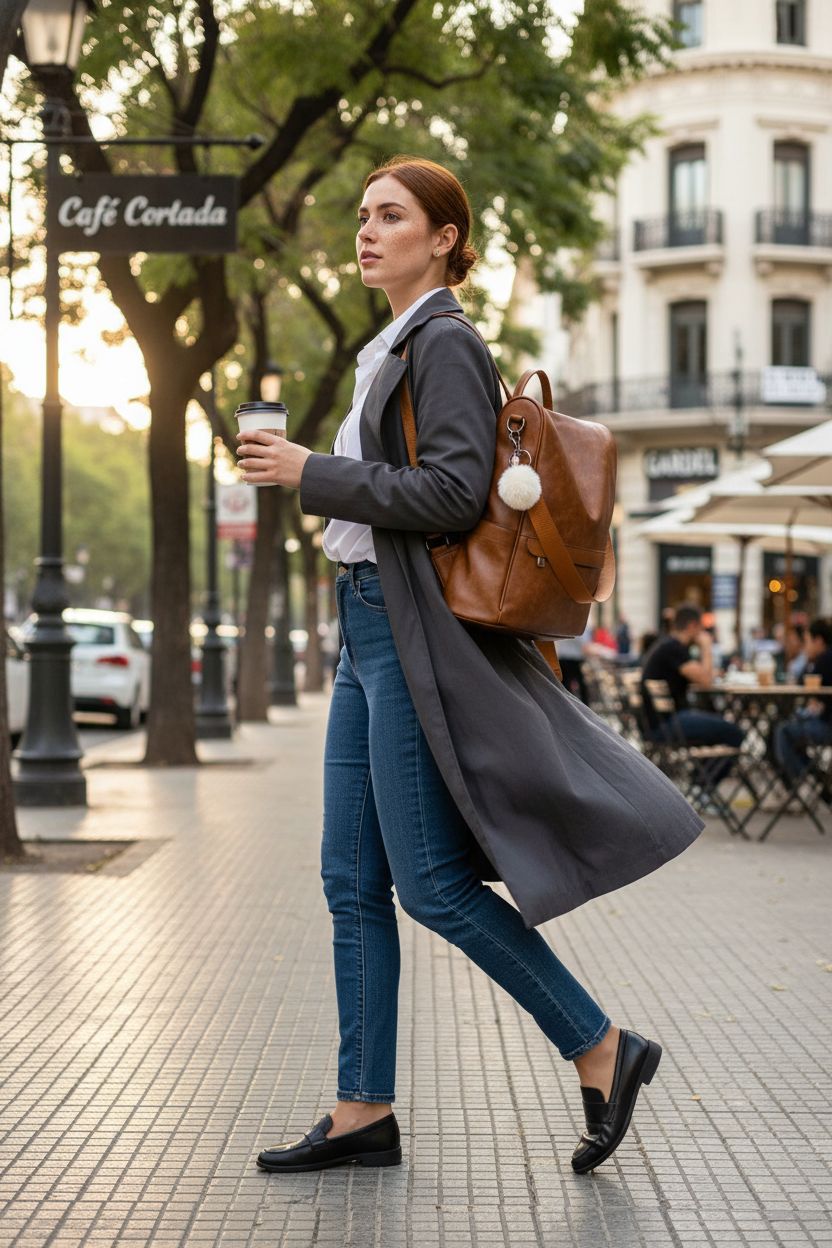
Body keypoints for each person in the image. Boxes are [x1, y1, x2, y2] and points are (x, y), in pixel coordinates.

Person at [236, 156, 703, 1178]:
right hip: (367, 630)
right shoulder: (393, 343)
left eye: (390, 216)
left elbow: (451, 493)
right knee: (348, 878)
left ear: (442, 238)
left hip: (405, 635)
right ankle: (363, 1110)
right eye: (361, 214)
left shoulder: (443, 340)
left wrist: (310, 471)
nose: (366, 231)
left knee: (432, 884)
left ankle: (600, 1045)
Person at [641, 604, 745, 771]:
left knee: (717, 724)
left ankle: (701, 781)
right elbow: (706, 682)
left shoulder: (669, 646)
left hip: (662, 721)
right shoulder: (673, 648)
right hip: (666, 725)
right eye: (701, 629)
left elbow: (701, 677)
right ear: (692, 626)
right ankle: (702, 786)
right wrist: (706, 646)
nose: (703, 634)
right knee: (734, 733)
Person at [774, 617, 832, 789]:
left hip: (828, 726)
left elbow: (802, 686)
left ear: (818, 641)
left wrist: (807, 659)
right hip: (824, 720)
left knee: (783, 731)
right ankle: (816, 779)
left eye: (807, 641)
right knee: (790, 728)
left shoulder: (825, 659)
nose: (805, 646)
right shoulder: (825, 658)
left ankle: (805, 782)